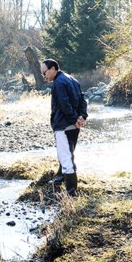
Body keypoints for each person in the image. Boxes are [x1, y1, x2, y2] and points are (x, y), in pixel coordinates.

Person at [40, 59, 86, 196]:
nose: (44, 76)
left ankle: (71, 193)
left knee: (66, 157)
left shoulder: (58, 83)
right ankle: (59, 179)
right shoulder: (72, 79)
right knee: (66, 153)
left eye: (45, 72)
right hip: (73, 125)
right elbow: (83, 99)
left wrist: (74, 119)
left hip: (64, 125)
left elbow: (65, 105)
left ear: (53, 69)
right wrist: (82, 117)